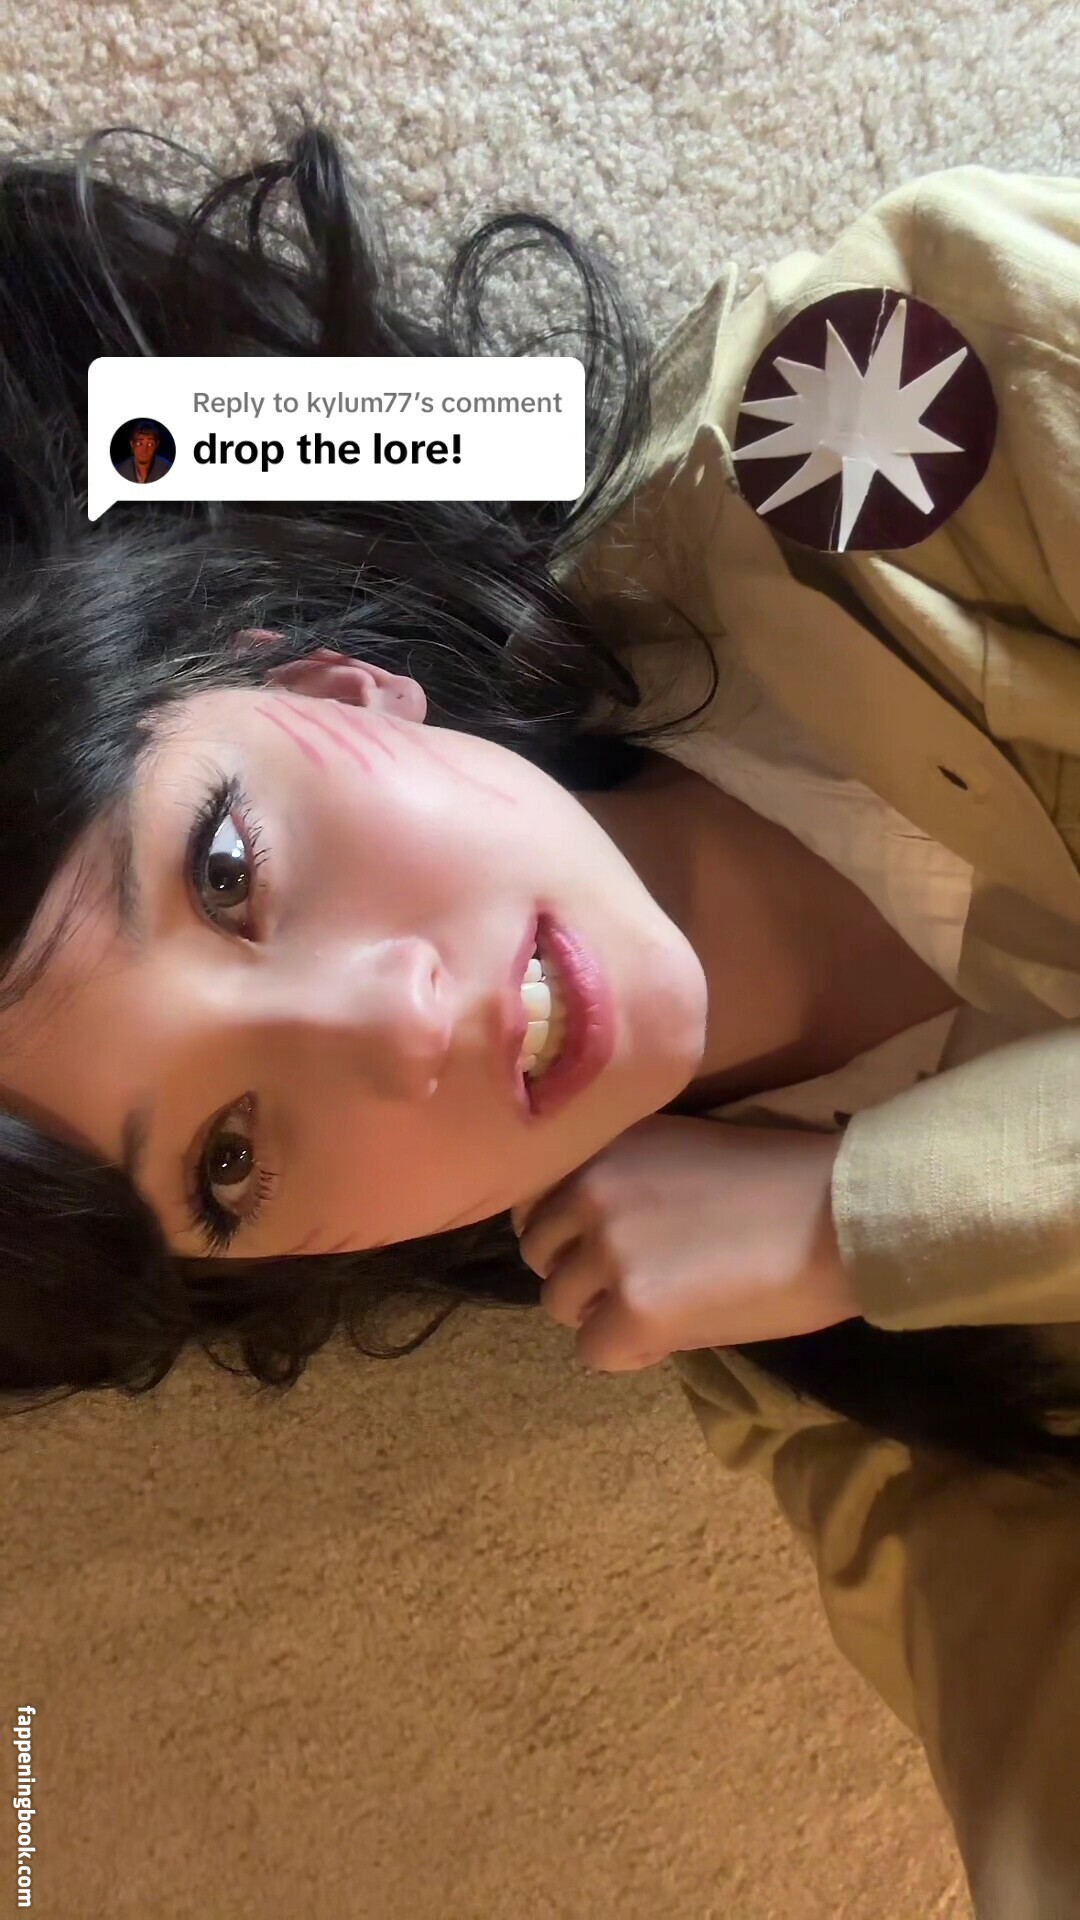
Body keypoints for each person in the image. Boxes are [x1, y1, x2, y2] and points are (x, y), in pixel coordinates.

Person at [0, 124, 1077, 1916]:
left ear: (328, 677)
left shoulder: (876, 403)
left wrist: (869, 1220)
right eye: (231, 1158)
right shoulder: (811, 1376)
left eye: (229, 865)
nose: (399, 1023)